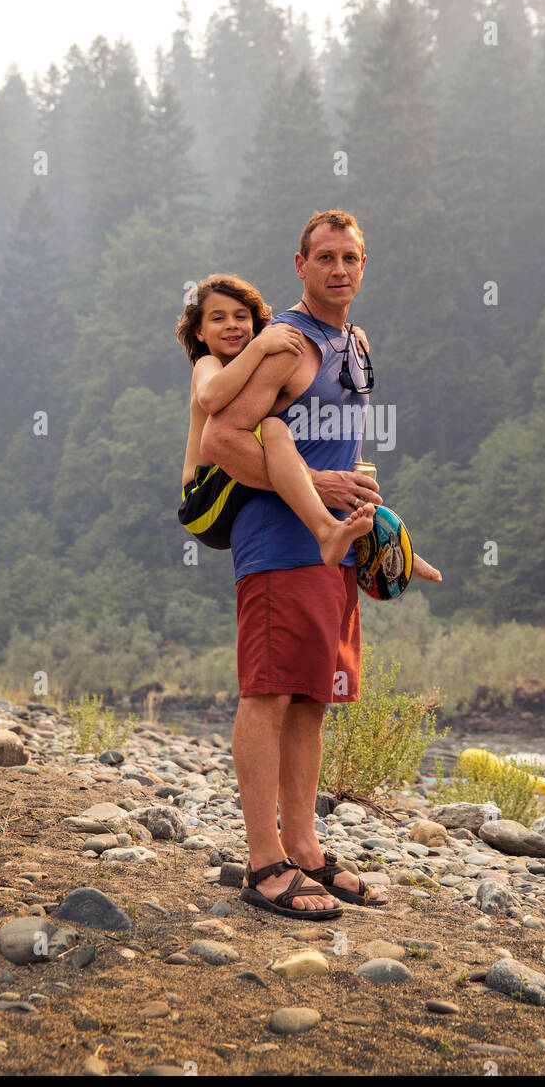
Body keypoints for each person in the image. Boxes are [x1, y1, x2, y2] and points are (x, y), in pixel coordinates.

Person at [200, 210, 442, 918]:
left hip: (332, 546)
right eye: (326, 257)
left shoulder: (354, 342)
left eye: (351, 258)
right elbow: (221, 438)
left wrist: (379, 531)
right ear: (299, 265)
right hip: (278, 544)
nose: (339, 269)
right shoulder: (285, 345)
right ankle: (263, 863)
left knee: (310, 697)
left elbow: (336, 460)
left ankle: (304, 849)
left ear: (365, 266)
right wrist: (318, 486)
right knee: (269, 694)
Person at [175, 273, 375, 562]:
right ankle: (325, 530)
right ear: (199, 333)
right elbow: (211, 398)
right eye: (218, 319)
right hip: (202, 500)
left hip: (234, 493)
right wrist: (260, 346)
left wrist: (344, 336)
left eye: (241, 316)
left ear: (255, 325)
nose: (231, 324)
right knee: (272, 428)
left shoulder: (258, 368)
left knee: (290, 432)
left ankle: (376, 538)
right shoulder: (209, 363)